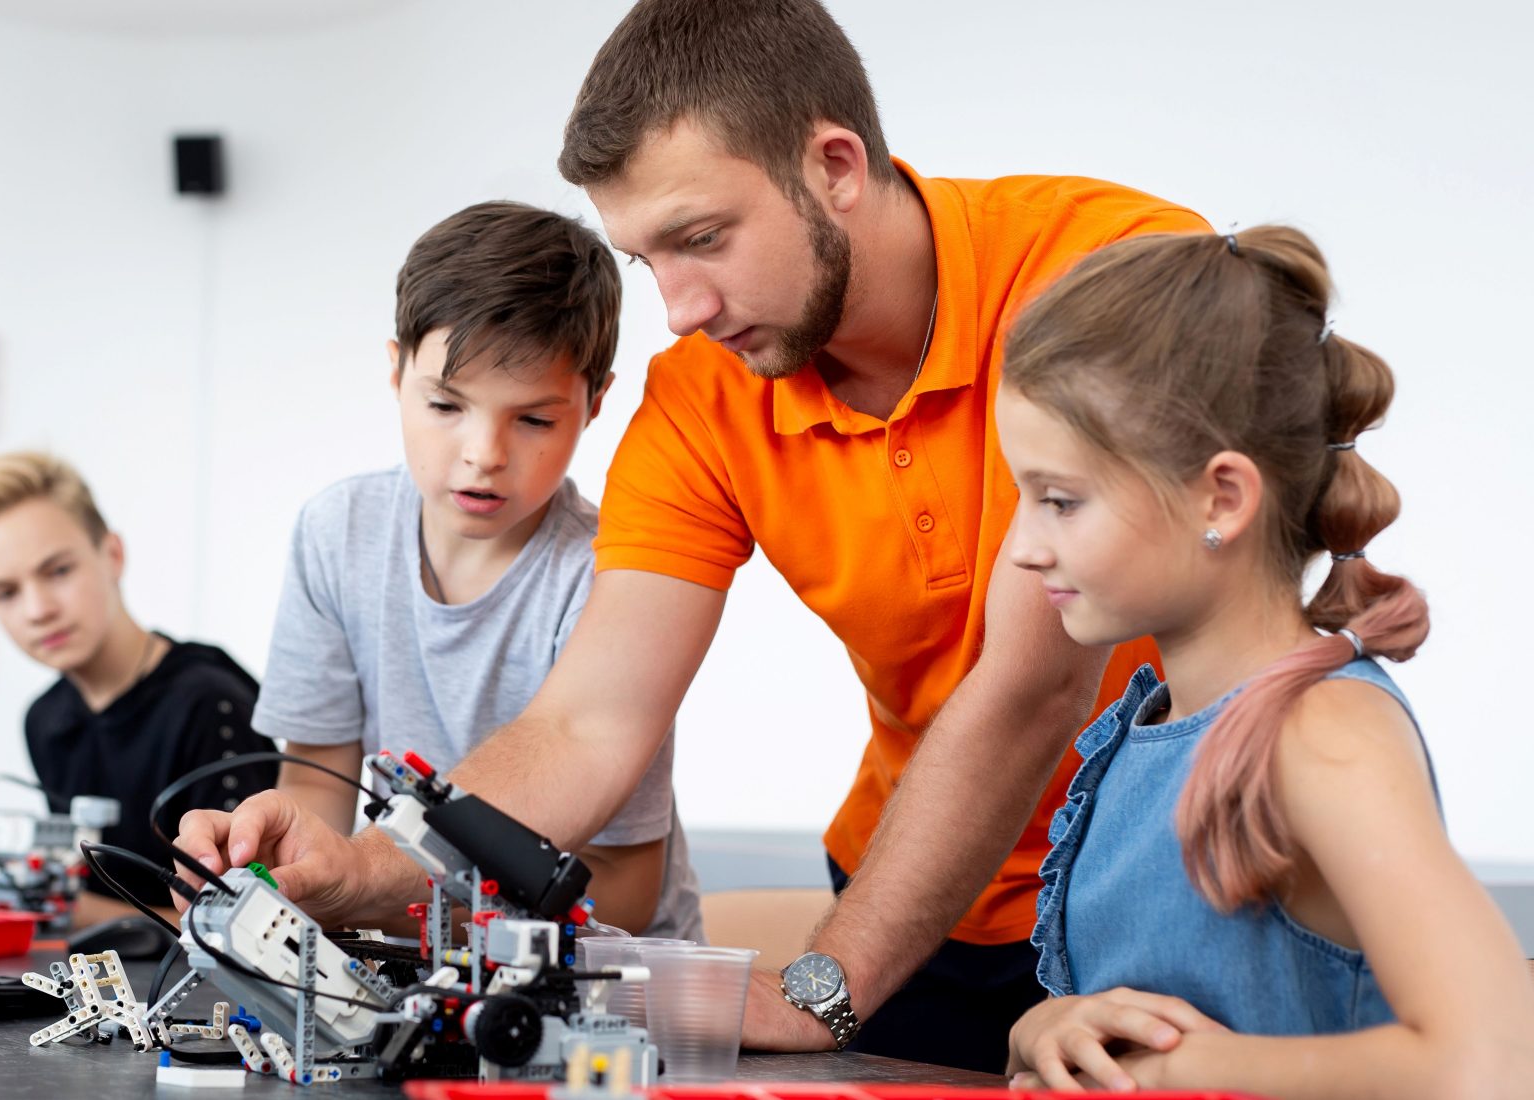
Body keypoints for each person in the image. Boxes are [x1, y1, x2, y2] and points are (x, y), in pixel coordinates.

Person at [175, 0, 1205, 1069]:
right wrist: (362, 867)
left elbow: (1033, 682)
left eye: (702, 238)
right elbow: (585, 726)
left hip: (1160, 893)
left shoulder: (1113, 270)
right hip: (917, 909)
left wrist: (824, 982)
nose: (678, 307)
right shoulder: (702, 399)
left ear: (836, 165)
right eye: (645, 258)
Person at [995, 226, 1534, 1096]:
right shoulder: (1151, 728)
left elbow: (1494, 1063)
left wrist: (1192, 1072)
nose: (1022, 548)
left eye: (1060, 500)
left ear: (1222, 496)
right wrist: (1044, 1027)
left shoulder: (1323, 733)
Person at [253, 201, 701, 940]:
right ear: (395, 370)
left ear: (595, 402)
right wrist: (277, 879)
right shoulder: (338, 535)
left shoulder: (610, 575)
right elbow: (315, 783)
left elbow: (622, 888)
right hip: (411, 960)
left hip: (605, 991)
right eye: (445, 405)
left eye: (533, 419)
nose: (483, 453)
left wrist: (376, 902)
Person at [0, 452, 277, 923]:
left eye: (58, 571)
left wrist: (70, 911)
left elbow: (246, 922)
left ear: (113, 555)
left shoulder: (209, 702)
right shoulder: (46, 720)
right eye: (6, 593)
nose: (37, 609)